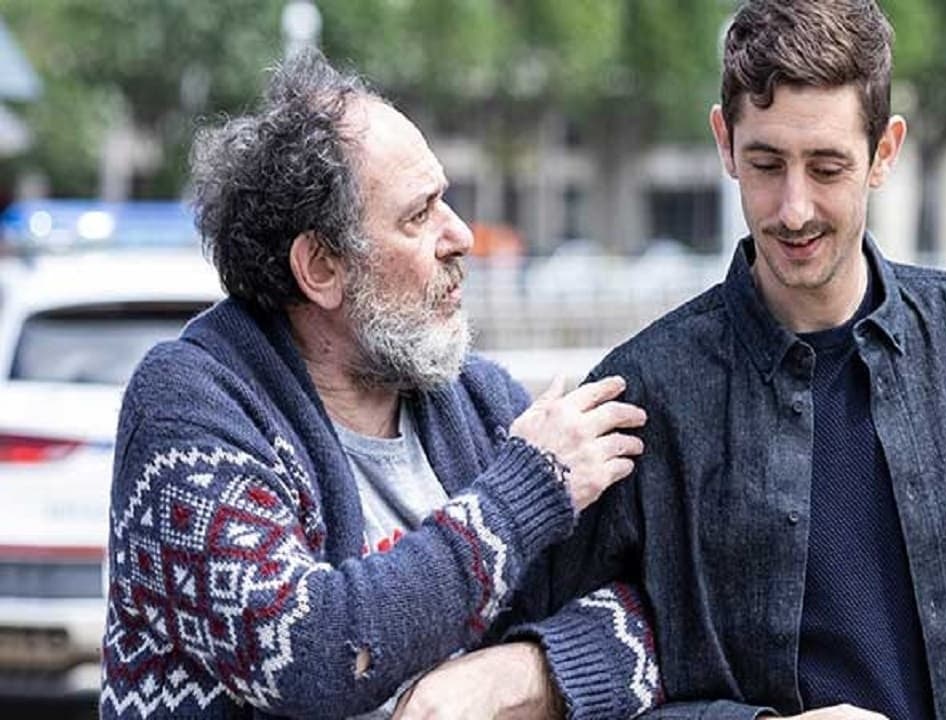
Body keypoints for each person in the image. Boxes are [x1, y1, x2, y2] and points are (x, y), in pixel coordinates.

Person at [396, 1, 946, 718]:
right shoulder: (643, 402)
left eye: (828, 167)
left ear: (885, 152)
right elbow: (580, 685)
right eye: (767, 164)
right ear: (724, 142)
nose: (794, 208)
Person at [98, 50, 663, 719]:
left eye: (444, 200)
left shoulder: (483, 405)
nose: (460, 236)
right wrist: (525, 493)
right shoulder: (188, 408)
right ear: (321, 267)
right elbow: (310, 654)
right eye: (419, 215)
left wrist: (519, 674)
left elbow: (663, 617)